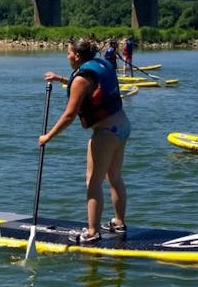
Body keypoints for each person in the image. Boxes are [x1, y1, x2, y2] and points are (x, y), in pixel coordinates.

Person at [39, 39, 130, 244]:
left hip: (106, 132)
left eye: (68, 53)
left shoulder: (82, 78)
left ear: (77, 56)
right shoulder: (100, 64)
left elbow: (70, 115)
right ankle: (119, 222)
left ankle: (92, 232)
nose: (67, 56)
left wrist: (48, 137)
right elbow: (87, 86)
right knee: (114, 176)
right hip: (122, 125)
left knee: (93, 181)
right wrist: (60, 79)